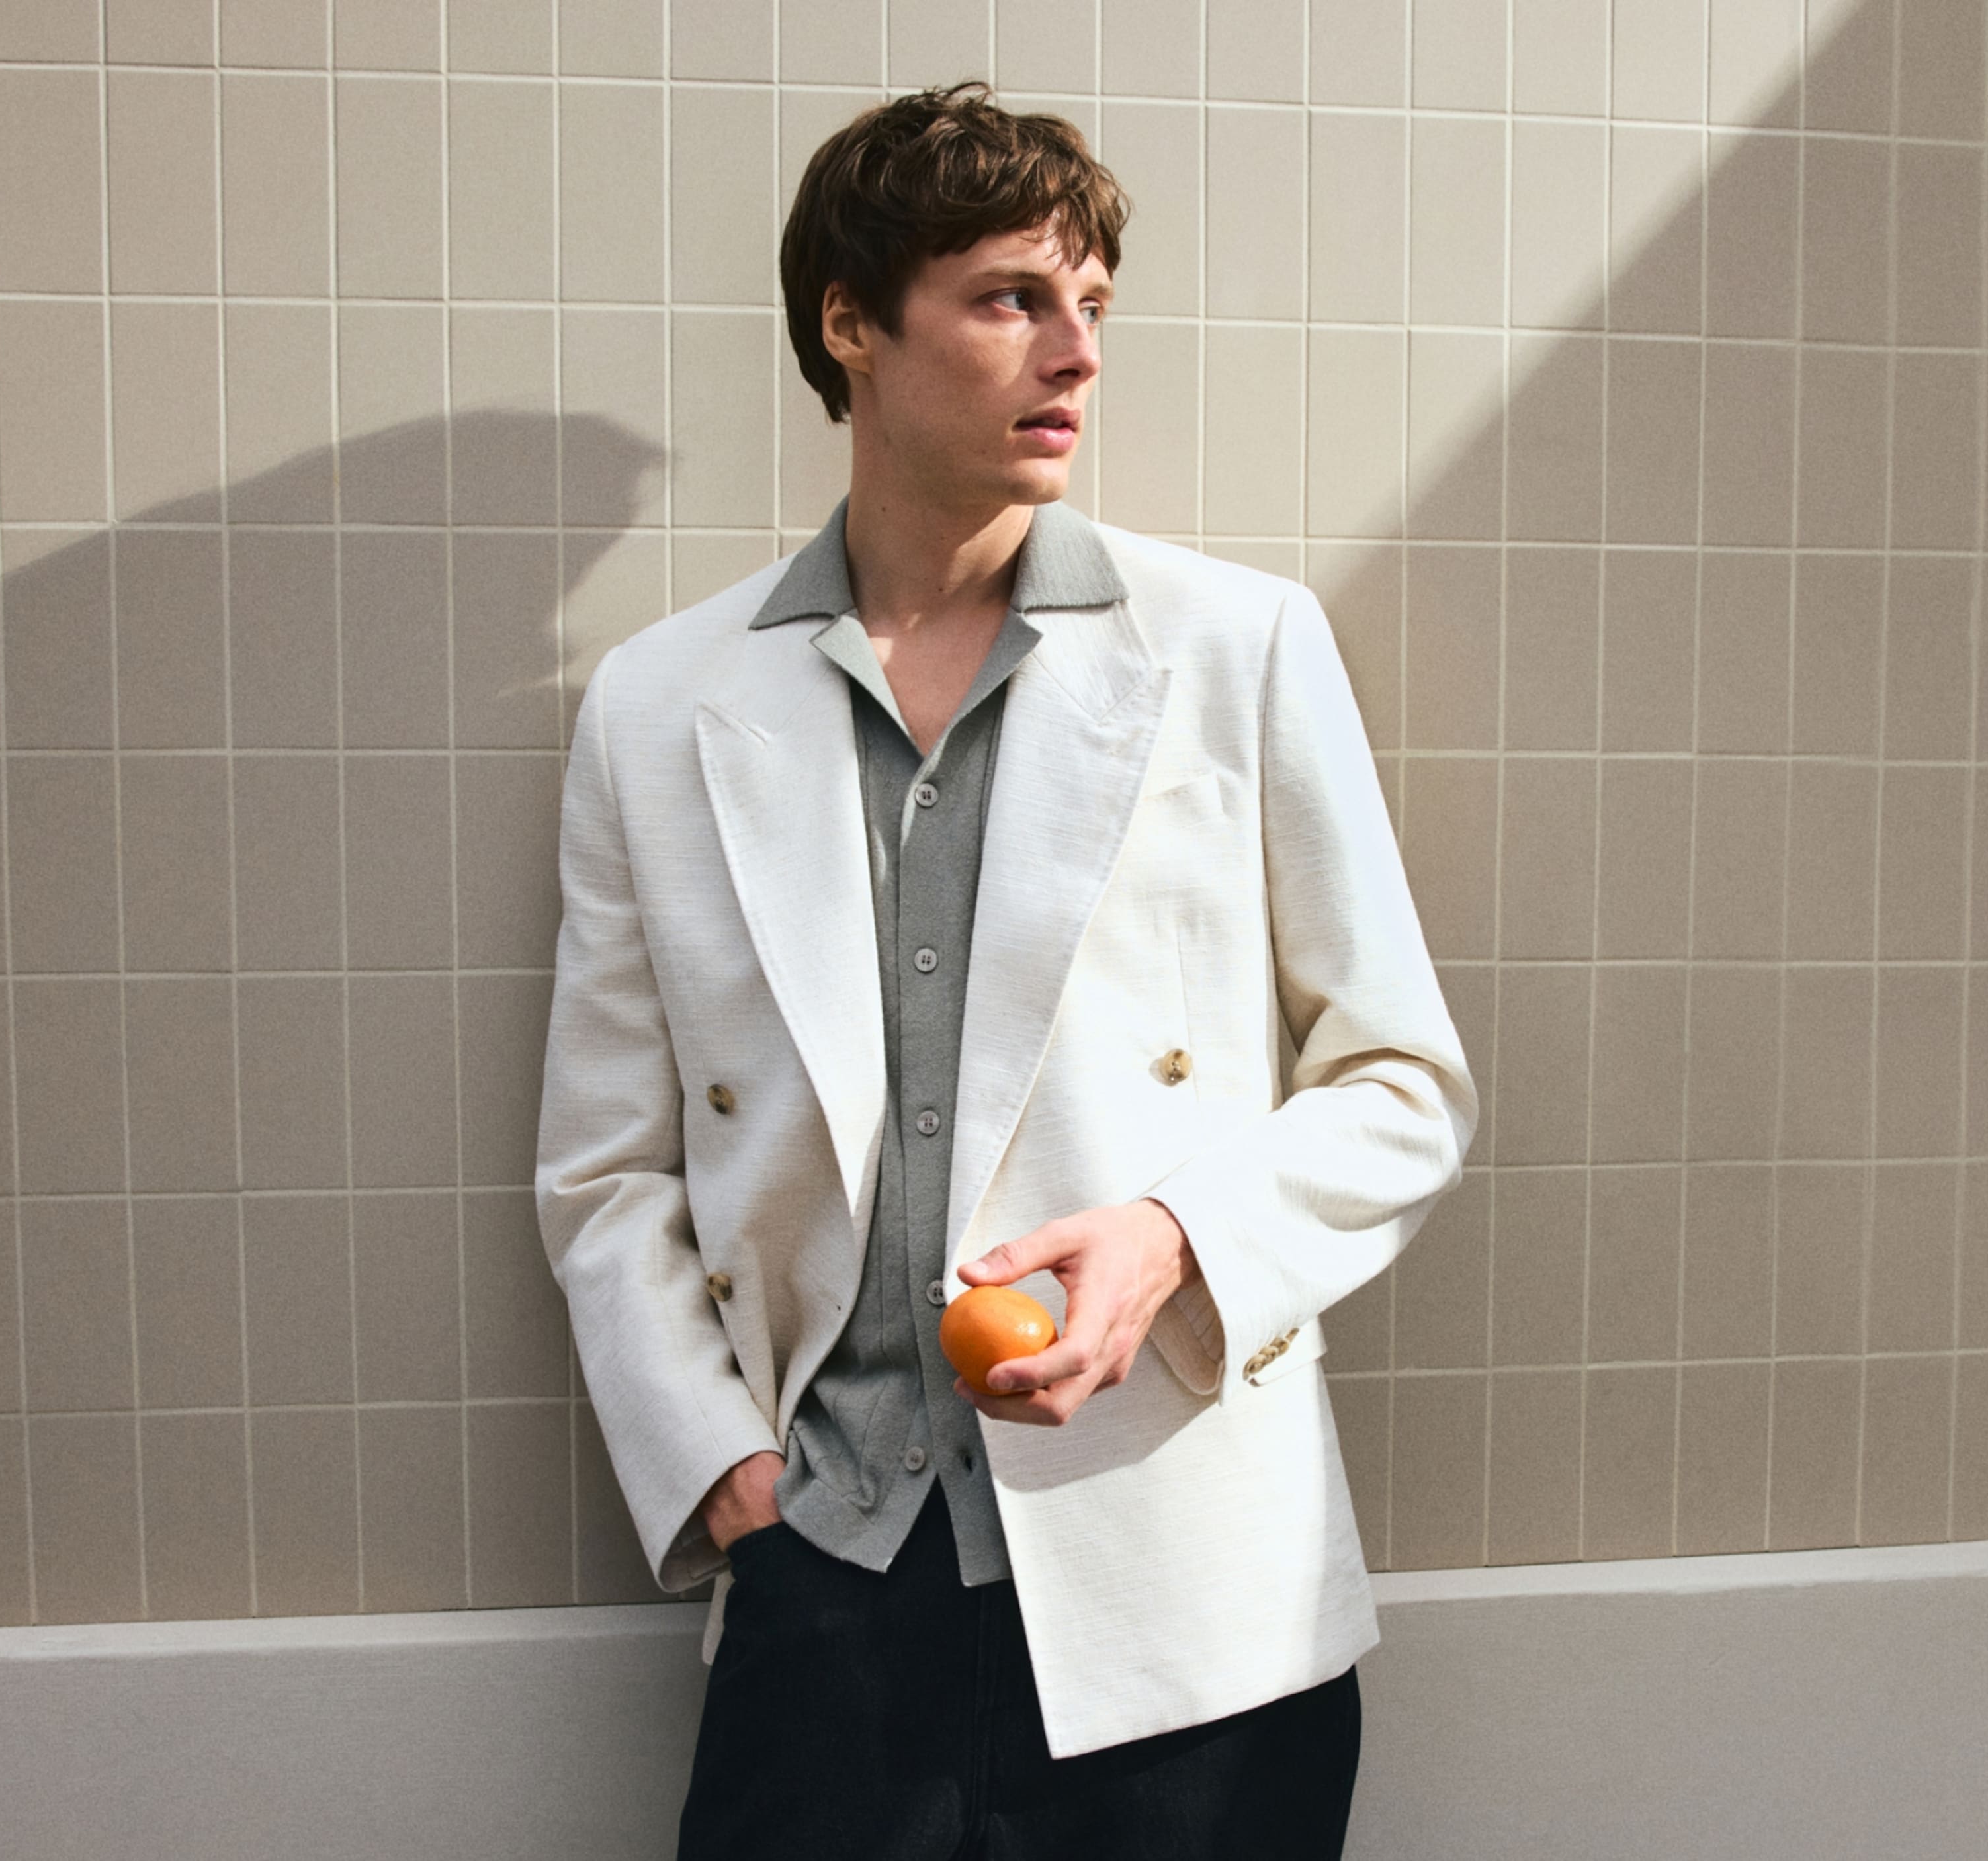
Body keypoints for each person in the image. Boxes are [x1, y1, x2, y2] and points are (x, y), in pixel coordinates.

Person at [535, 82, 1476, 1861]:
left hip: (1184, 1594)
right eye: (1009, 299)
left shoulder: (1237, 648)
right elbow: (605, 1171)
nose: (1076, 351)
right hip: (827, 1584)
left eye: (1092, 303)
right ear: (851, 325)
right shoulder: (660, 708)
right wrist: (730, 1482)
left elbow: (1404, 1086)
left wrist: (1173, 1242)